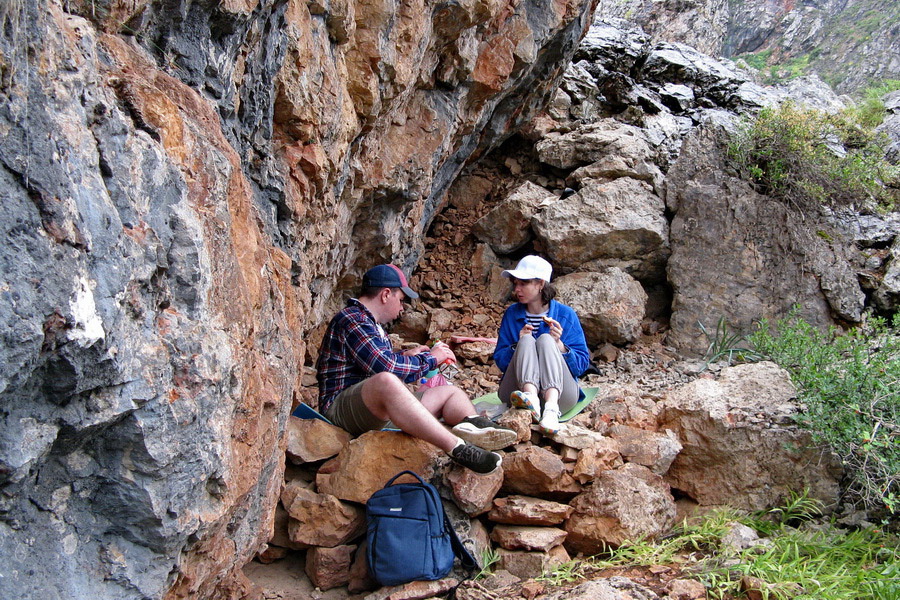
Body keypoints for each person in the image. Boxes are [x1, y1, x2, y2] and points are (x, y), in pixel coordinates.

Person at [316, 264, 517, 474]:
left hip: (372, 409)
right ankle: (457, 447)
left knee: (450, 393)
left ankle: (476, 427)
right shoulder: (353, 319)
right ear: (386, 294)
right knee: (387, 381)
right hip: (339, 410)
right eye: (401, 300)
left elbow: (375, 362)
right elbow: (385, 368)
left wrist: (407, 356)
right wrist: (431, 359)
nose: (402, 308)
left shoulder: (372, 326)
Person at [493, 255, 590, 434]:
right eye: (516, 283)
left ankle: (551, 409)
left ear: (540, 283)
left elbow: (582, 365)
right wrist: (518, 345)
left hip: (560, 396)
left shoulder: (565, 315)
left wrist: (560, 346)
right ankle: (531, 398)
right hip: (517, 393)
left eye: (524, 283)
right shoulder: (512, 314)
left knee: (546, 339)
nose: (517, 289)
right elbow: (500, 361)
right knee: (527, 340)